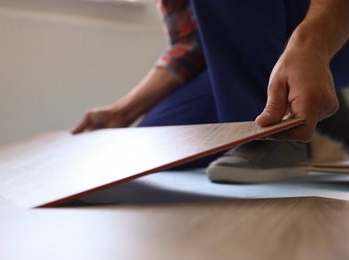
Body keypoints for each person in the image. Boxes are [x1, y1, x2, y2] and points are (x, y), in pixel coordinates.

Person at [72, 0, 349, 183]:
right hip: (256, 57)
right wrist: (122, 112)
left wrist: (310, 46)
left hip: (333, 34)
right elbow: (191, 45)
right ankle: (305, 101)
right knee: (159, 149)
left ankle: (275, 135)